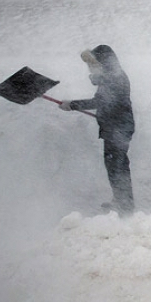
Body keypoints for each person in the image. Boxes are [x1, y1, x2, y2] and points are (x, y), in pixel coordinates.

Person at [60, 45, 135, 216]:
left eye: (95, 62)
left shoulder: (115, 78)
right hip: (115, 127)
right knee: (114, 166)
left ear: (105, 61)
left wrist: (72, 105)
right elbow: (105, 101)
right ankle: (121, 200)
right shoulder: (111, 76)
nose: (92, 66)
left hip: (119, 128)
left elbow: (100, 102)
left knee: (117, 166)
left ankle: (125, 206)